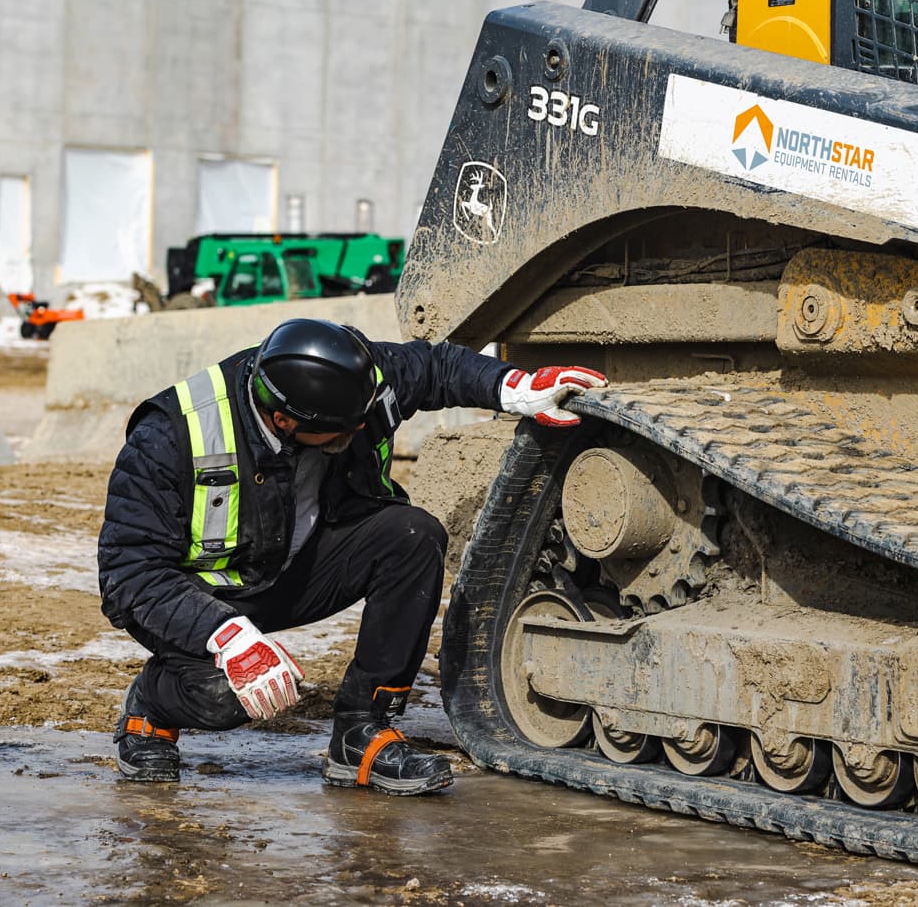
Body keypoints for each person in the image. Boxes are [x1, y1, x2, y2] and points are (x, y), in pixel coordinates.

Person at [97, 317, 607, 795]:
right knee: (233, 695)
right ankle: (153, 705)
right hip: (208, 600)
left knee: (411, 535)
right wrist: (226, 636)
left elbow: (433, 367)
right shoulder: (169, 435)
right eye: (342, 431)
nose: (359, 433)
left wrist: (514, 386)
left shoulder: (349, 381)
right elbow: (129, 575)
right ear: (283, 419)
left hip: (296, 570)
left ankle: (361, 732)